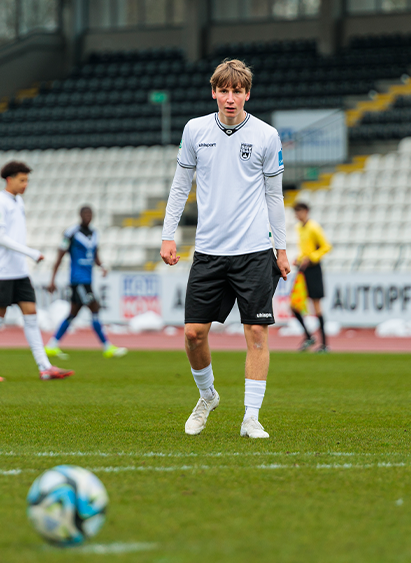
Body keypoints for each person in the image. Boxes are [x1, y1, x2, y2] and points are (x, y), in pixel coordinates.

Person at [160, 59, 291, 439]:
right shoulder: (195, 130)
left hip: (253, 252)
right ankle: (208, 396)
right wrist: (169, 236)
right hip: (209, 252)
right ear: (214, 92)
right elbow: (180, 186)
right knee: (193, 334)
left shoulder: (267, 135)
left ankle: (251, 417)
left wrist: (280, 250)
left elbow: (274, 196)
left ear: (247, 94)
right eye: (224, 90)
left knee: (256, 334)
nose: (230, 98)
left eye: (238, 91)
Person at [0, 161, 74, 382]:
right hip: (2, 271)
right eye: (22, 180)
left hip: (19, 271)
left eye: (27, 180)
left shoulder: (18, 202)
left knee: (31, 313)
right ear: (9, 179)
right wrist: (29, 252)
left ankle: (44, 366)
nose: (26, 184)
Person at [44, 206, 127, 359]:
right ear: (80, 215)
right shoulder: (71, 233)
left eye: (90, 214)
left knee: (72, 314)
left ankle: (52, 345)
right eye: (85, 213)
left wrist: (101, 266)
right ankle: (107, 346)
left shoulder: (94, 234)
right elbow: (60, 256)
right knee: (94, 307)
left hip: (88, 279)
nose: (88, 216)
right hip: (78, 280)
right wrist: (52, 279)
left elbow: (94, 254)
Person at [291, 201, 333, 353]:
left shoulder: (314, 227)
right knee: (294, 306)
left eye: (300, 212)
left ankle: (324, 345)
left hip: (314, 269)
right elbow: (305, 249)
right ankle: (309, 337)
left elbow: (326, 246)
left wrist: (312, 257)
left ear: (306, 211)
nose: (298, 215)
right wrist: (300, 258)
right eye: (296, 212)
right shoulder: (299, 228)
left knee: (316, 306)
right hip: (303, 270)